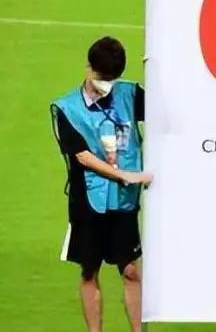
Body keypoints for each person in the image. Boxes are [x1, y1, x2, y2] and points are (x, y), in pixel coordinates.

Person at [51, 36, 153, 332]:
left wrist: (157, 75)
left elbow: (165, 111)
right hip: (88, 201)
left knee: (131, 271)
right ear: (88, 67)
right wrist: (124, 175)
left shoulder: (130, 95)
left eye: (111, 78)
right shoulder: (66, 108)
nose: (106, 84)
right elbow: (82, 156)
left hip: (123, 200)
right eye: (101, 76)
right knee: (89, 271)